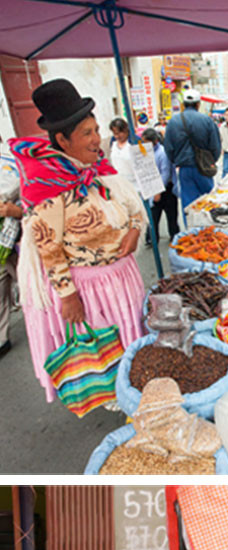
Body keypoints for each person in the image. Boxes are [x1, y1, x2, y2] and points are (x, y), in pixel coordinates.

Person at [11, 78, 146, 403]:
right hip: (92, 289)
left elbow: (130, 208)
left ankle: (133, 386)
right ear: (62, 139)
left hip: (122, 278)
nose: (97, 140)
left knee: (131, 339)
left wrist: (133, 230)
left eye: (96, 130)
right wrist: (69, 298)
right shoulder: (46, 183)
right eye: (87, 133)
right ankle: (119, 397)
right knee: (105, 345)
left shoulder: (95, 168)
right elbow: (48, 247)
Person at [163, 88, 221, 212]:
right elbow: (216, 146)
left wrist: (176, 160)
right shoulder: (207, 120)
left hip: (184, 168)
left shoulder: (173, 122)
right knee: (208, 202)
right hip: (204, 168)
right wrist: (210, 161)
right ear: (198, 104)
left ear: (183, 104)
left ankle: (192, 230)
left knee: (189, 205)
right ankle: (208, 230)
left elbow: (168, 148)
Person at [0, 136, 22, 360]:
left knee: (26, 283)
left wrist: (16, 212)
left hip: (15, 239)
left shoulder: (12, 159)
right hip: (4, 244)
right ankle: (1, 339)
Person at [141, 127, 179, 241]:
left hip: (166, 188)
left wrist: (158, 191)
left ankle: (174, 237)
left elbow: (165, 174)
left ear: (155, 141)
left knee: (171, 216)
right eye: (143, 142)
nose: (144, 145)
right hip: (153, 186)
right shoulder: (145, 153)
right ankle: (152, 238)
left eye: (146, 142)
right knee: (153, 217)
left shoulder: (162, 153)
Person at [108, 117, 136, 186]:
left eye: (119, 133)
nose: (117, 136)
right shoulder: (113, 142)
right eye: (114, 134)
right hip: (119, 183)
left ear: (125, 130)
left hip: (134, 184)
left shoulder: (135, 141)